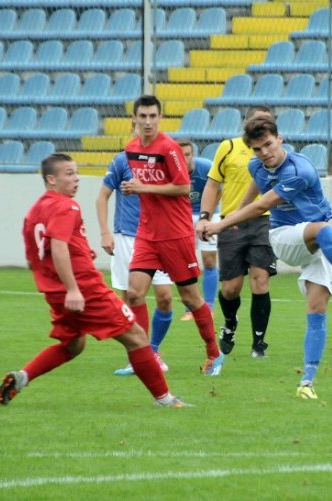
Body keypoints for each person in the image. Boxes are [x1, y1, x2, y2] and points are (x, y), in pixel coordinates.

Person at [199, 114, 332, 400]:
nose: (264, 153)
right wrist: (235, 213)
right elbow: (257, 184)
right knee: (324, 230)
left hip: (315, 242)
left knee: (317, 310)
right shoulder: (258, 164)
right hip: (284, 237)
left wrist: (220, 223)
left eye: (268, 145)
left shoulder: (300, 170)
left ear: (280, 139)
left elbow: (264, 202)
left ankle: (307, 383)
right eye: (258, 149)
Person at [0, 153, 187, 408]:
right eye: (69, 173)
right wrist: (73, 288)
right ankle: (165, 400)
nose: (77, 178)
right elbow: (59, 246)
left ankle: (22, 377)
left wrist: (61, 284)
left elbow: (34, 258)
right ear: (51, 179)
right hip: (83, 290)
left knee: (73, 345)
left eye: (76, 172)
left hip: (57, 293)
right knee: (137, 337)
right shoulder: (66, 206)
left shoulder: (35, 212)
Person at [122, 95, 223, 376]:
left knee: (191, 298)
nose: (148, 122)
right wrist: (137, 188)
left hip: (176, 234)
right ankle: (145, 356)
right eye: (142, 116)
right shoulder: (131, 148)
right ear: (134, 118)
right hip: (146, 234)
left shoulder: (168, 148)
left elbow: (182, 187)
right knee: (134, 293)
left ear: (160, 117)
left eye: (153, 116)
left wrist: (143, 188)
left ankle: (213, 354)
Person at [196, 106, 276, 358]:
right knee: (231, 288)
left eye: (266, 121)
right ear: (246, 123)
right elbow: (212, 184)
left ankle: (259, 342)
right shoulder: (228, 148)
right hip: (231, 223)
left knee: (260, 280)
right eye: (256, 120)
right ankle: (230, 323)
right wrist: (205, 217)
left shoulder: (275, 152)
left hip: (263, 221)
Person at [96, 126, 173, 376]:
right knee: (130, 298)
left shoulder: (164, 159)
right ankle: (139, 357)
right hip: (126, 237)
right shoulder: (122, 160)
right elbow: (102, 197)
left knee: (165, 297)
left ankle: (154, 349)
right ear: (133, 128)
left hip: (158, 237)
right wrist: (105, 232)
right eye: (139, 124)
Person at [176, 138, 219, 322]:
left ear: (193, 154)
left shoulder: (206, 167)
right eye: (180, 155)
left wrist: (206, 216)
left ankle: (208, 307)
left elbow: (218, 190)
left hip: (206, 213)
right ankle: (190, 308)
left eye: (187, 155)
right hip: (182, 217)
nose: (184, 159)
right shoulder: (171, 171)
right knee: (186, 262)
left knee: (209, 260)